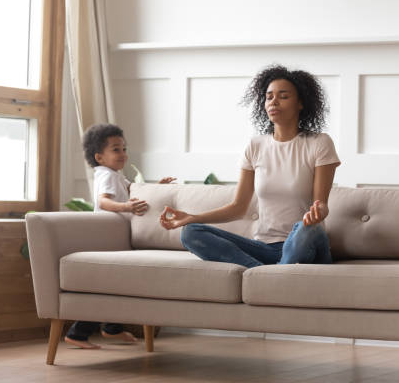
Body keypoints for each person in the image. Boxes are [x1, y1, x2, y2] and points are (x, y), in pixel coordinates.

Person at [160, 65, 340, 268]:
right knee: (191, 232)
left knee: (307, 228)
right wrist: (192, 217)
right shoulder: (255, 146)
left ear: (300, 103)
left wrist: (318, 212)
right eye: (269, 96)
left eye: (283, 96)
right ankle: (266, 273)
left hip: (305, 243)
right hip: (264, 248)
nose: (274, 101)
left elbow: (321, 204)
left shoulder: (319, 143)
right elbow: (238, 208)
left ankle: (269, 277)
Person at [65, 123, 176, 349]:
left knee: (117, 283)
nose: (123, 154)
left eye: (124, 149)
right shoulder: (105, 175)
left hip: (116, 239)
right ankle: (78, 333)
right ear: (99, 157)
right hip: (106, 237)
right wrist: (126, 207)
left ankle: (111, 329)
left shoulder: (116, 175)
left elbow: (134, 191)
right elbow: (103, 201)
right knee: (106, 285)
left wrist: (156, 187)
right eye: (116, 149)